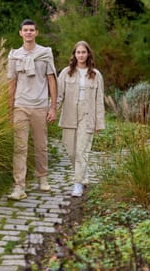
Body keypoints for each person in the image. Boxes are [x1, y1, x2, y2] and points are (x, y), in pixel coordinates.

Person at [6, 19, 58, 200]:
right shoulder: (14, 56)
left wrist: (53, 107)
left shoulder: (45, 54)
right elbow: (11, 83)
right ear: (20, 33)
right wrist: (9, 110)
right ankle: (19, 186)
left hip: (40, 106)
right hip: (20, 105)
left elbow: (52, 79)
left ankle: (42, 178)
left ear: (36, 32)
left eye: (31, 30)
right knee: (20, 147)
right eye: (25, 30)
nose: (28, 33)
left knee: (41, 145)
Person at [57, 41, 105, 197]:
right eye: (78, 52)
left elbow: (99, 100)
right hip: (70, 114)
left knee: (81, 151)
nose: (81, 55)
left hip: (87, 114)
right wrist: (52, 111)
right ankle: (84, 176)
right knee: (71, 151)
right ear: (74, 54)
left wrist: (99, 121)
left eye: (84, 52)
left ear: (88, 54)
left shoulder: (96, 75)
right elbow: (59, 95)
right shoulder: (66, 73)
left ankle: (77, 183)